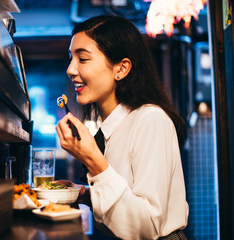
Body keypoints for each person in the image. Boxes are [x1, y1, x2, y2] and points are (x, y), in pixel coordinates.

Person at [55, 15, 188, 239]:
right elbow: (126, 200)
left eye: (83, 59)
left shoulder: (150, 119)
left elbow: (147, 228)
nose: (70, 69)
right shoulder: (109, 128)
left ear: (121, 69)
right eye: (71, 58)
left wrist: (93, 160)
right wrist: (85, 194)